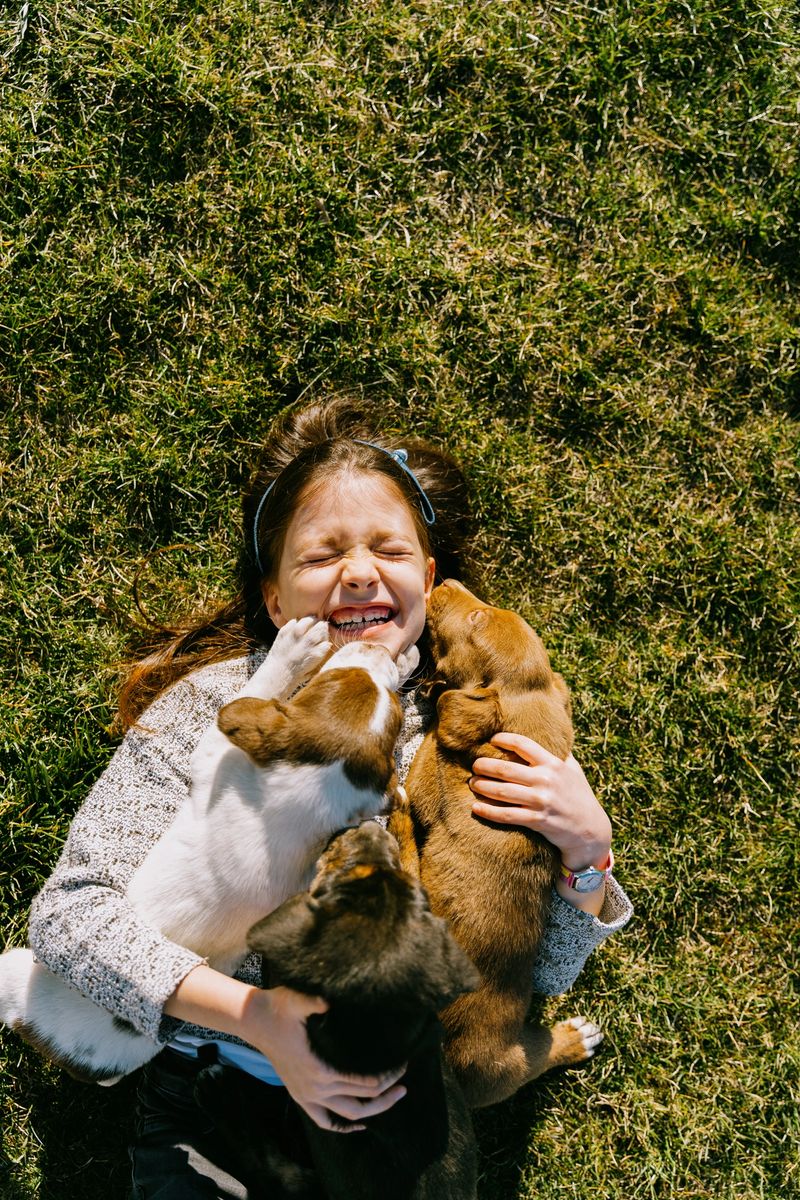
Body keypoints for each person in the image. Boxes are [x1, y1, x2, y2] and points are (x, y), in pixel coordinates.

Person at [25, 397, 632, 1198]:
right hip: (218, 1086)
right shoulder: (222, 710)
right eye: (320, 557)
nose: (358, 571)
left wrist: (587, 859)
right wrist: (256, 1019)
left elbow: (531, 975)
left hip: (405, 1108)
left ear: (430, 581)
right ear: (276, 602)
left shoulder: (478, 739)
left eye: (390, 549)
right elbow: (69, 918)